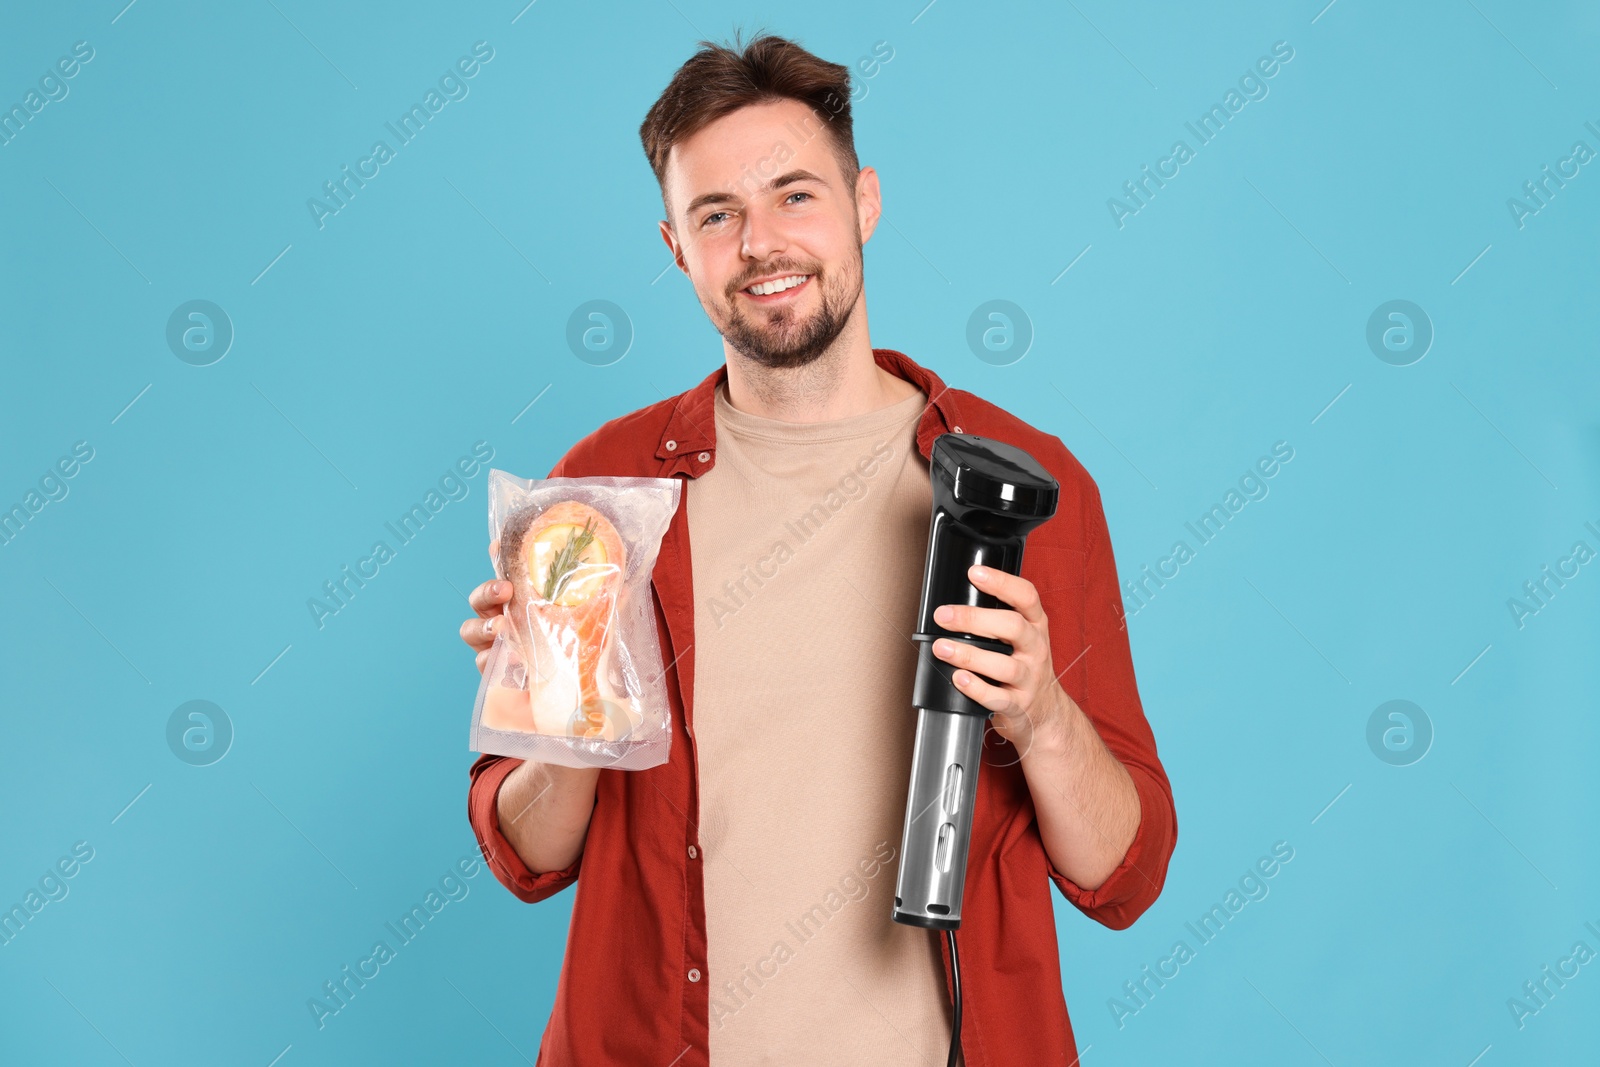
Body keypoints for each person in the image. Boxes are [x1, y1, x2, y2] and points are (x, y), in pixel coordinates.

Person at [459, 31, 1176, 1067]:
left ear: (863, 203)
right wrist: (568, 702)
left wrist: (1041, 714)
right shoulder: (606, 489)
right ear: (675, 245)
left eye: (794, 195)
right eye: (718, 215)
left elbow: (1127, 872)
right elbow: (529, 856)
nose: (761, 243)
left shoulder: (1017, 491)